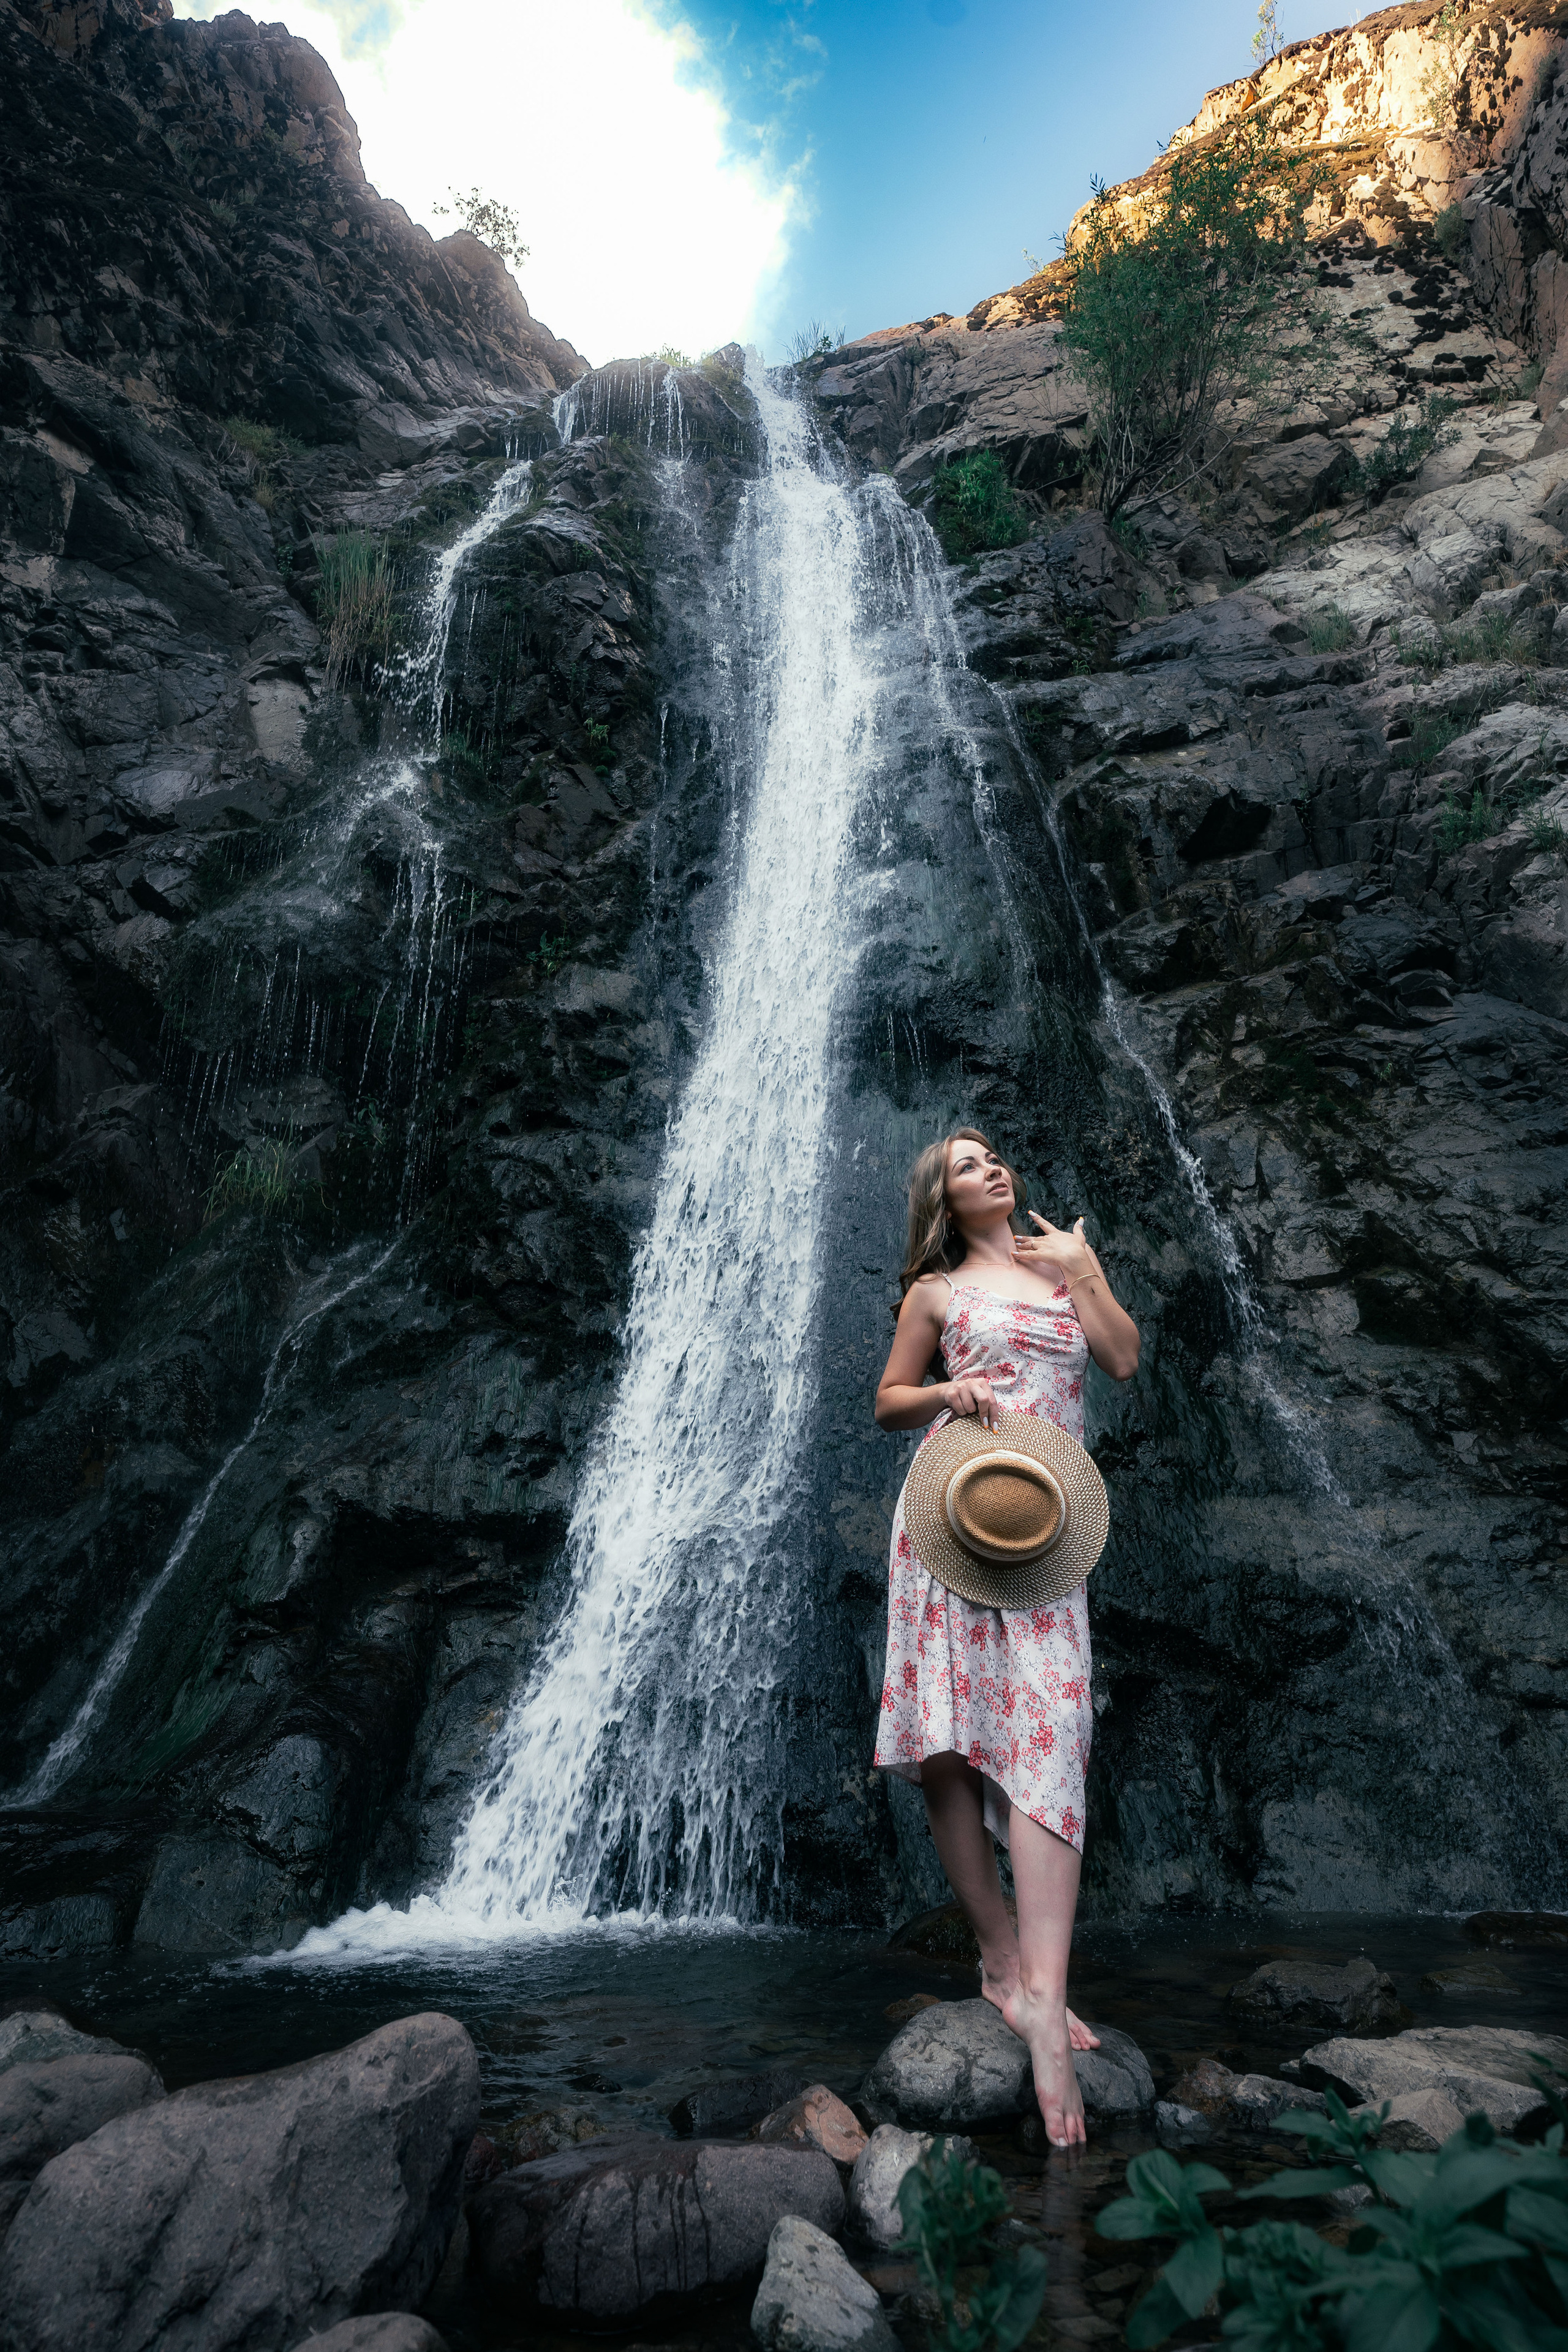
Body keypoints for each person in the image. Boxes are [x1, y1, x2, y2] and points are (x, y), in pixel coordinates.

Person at [872, 1128, 1140, 2148]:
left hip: (1046, 1526)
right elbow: (890, 1401)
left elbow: (1120, 1358)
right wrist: (951, 1390)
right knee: (948, 1740)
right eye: (965, 1162)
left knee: (1054, 1736)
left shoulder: (1060, 1265)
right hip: (950, 1514)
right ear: (942, 1197)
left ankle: (1045, 1992)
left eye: (996, 1157)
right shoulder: (935, 1293)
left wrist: (1088, 1267)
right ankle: (1004, 1971)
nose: (990, 1167)